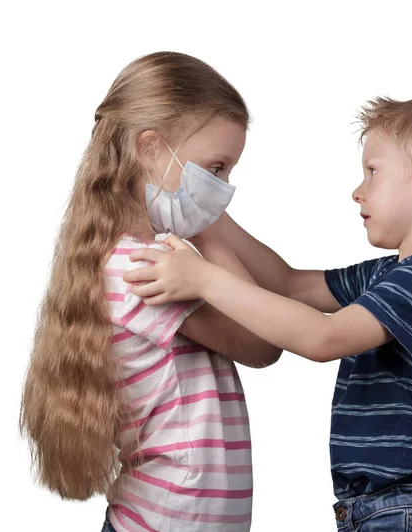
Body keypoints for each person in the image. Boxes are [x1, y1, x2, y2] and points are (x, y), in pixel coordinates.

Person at [123, 93, 412, 531]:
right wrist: (206, 218)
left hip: (408, 508)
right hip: (379, 506)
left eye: (373, 171)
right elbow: (290, 284)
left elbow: (322, 339)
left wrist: (205, 280)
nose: (357, 190)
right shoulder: (392, 273)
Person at [20, 51, 281, 532]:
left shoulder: (150, 256)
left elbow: (276, 288)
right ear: (151, 148)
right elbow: (261, 344)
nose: (223, 189)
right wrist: (204, 230)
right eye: (215, 168)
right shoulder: (140, 267)